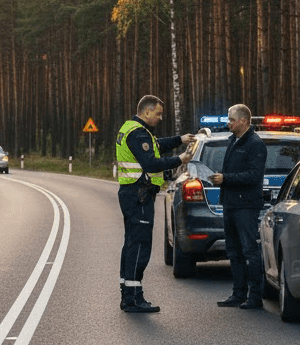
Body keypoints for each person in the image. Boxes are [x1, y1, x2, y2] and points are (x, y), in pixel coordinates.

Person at [115, 95, 195, 313]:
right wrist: (180, 159)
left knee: (132, 243)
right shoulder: (139, 133)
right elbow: (150, 163)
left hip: (133, 193)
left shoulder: (133, 129)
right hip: (139, 194)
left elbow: (156, 146)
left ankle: (127, 291)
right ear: (146, 111)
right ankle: (133, 298)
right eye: (158, 113)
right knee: (140, 246)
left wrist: (180, 139)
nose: (160, 117)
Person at [210, 103, 268, 309]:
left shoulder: (255, 144)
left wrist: (225, 178)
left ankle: (255, 297)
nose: (229, 123)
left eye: (231, 120)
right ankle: (238, 293)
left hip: (246, 205)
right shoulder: (233, 141)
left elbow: (253, 175)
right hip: (231, 203)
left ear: (243, 121)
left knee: (249, 250)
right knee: (233, 251)